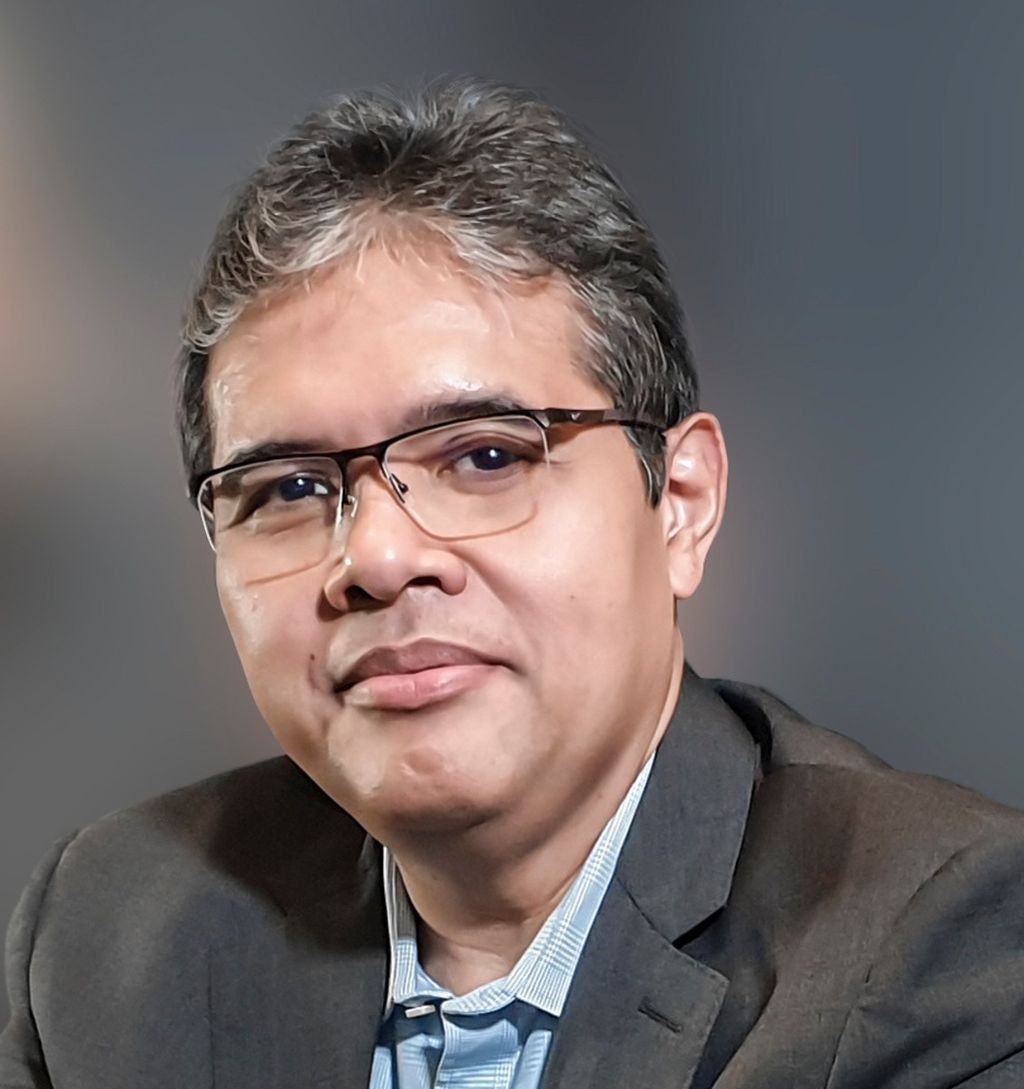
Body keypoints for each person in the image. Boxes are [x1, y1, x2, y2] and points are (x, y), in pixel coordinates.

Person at [2, 78, 1023, 1089]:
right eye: (292, 488)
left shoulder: (939, 944)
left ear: (679, 502)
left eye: (486, 457)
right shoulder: (110, 931)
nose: (378, 558)